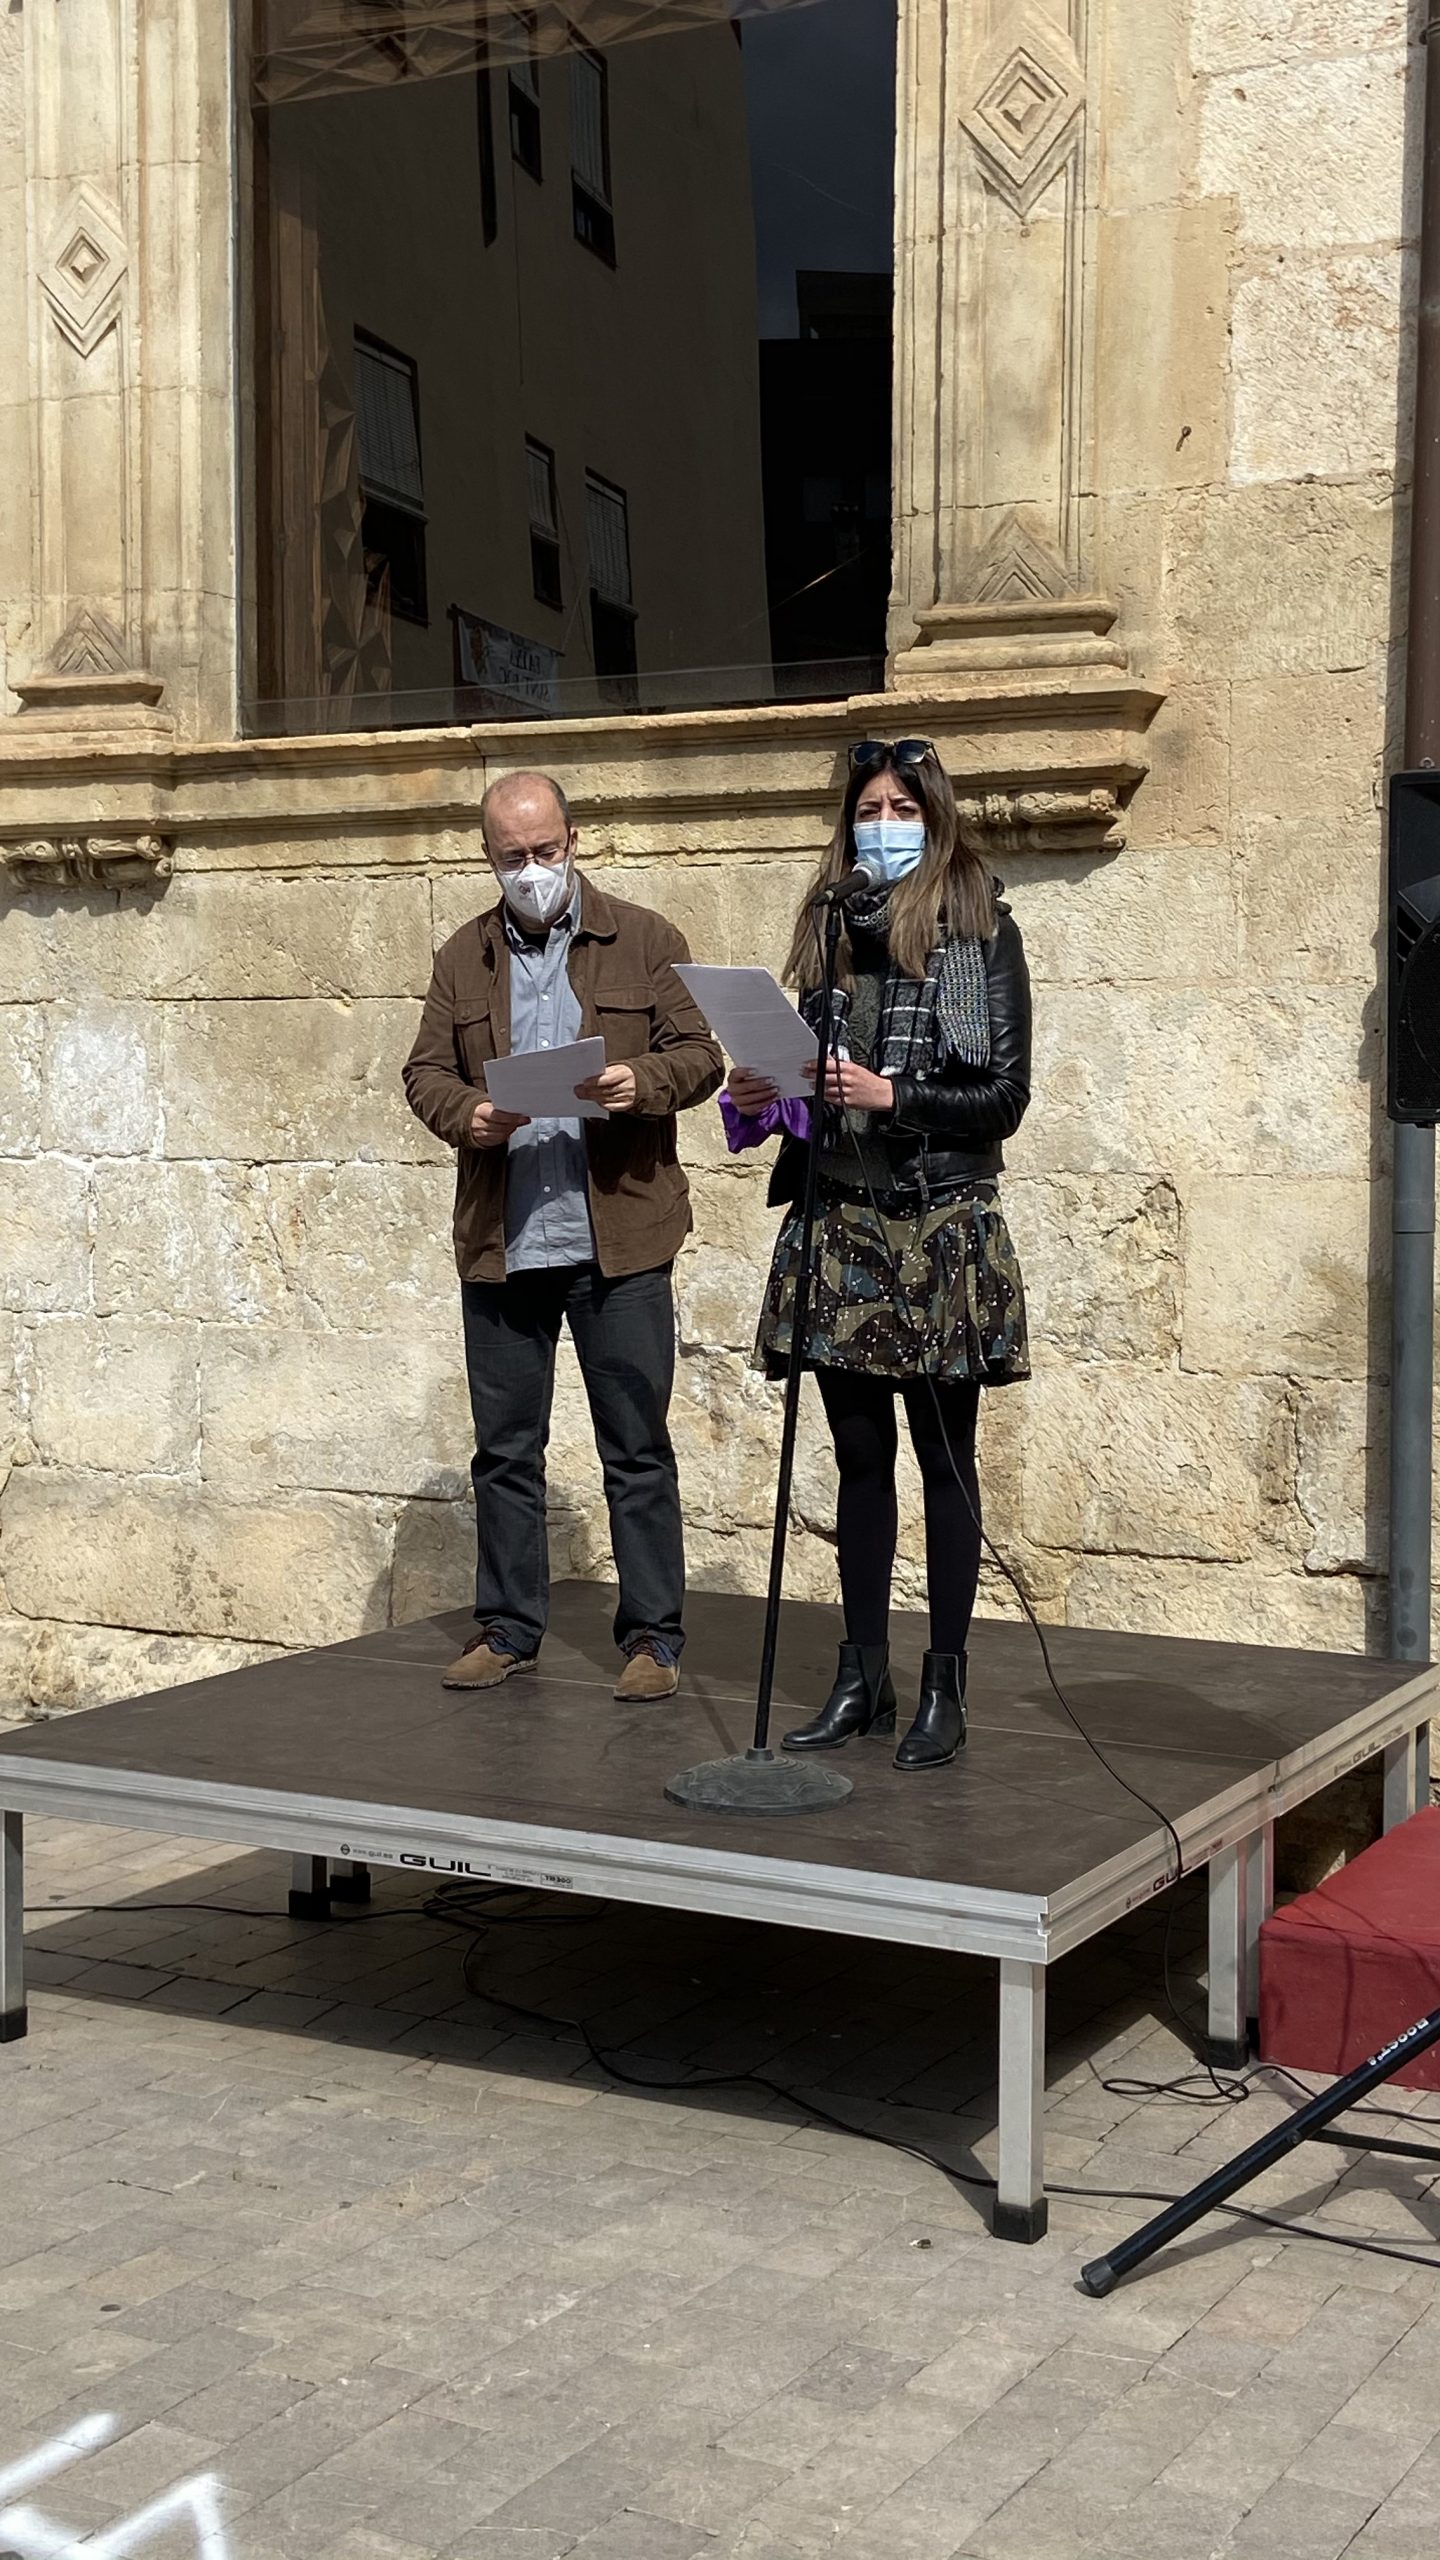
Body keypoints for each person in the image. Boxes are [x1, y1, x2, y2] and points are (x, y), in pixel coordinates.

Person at [721, 738, 1031, 1772]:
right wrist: (766, 1089)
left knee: (944, 1461)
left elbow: (1003, 1096)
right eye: (869, 808)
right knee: (858, 1459)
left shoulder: (979, 932)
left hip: (939, 1226)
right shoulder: (830, 934)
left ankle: (944, 1682)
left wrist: (892, 1095)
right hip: (841, 1223)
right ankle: (862, 1675)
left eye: (903, 808)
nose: (884, 824)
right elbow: (805, 1088)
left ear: (934, 818)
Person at [403, 770, 723, 1700]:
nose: (532, 869)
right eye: (513, 857)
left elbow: (701, 1055)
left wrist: (641, 1082)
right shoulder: (463, 957)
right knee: (505, 1450)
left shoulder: (646, 939)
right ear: (488, 857)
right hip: (506, 1240)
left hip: (619, 1238)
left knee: (636, 1446)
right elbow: (424, 1072)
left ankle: (653, 1637)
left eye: (546, 850)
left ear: (575, 841)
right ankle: (507, 1628)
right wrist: (467, 1115)